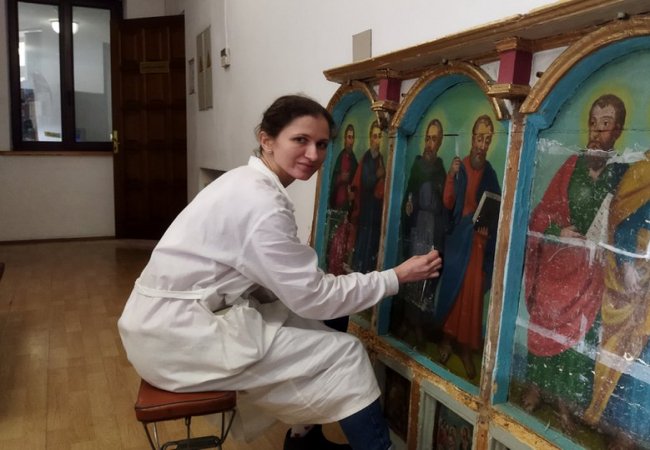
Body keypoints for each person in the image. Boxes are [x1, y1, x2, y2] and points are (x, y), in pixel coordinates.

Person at [117, 95, 442, 450]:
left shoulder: (246, 181)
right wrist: (396, 276)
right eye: (300, 140)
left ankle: (304, 439)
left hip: (171, 320)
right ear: (267, 140)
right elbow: (313, 297)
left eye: (322, 144)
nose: (313, 154)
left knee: (326, 322)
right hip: (178, 337)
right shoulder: (261, 203)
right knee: (345, 354)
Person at [522, 94, 629, 431]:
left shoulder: (622, 173)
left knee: (579, 341)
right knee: (544, 325)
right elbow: (540, 214)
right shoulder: (571, 166)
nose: (596, 132)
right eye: (593, 124)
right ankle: (536, 387)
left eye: (605, 124)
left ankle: (565, 403)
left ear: (618, 130)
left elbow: (626, 223)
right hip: (558, 265)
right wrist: (559, 231)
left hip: (592, 274)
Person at [583, 150, 650, 446]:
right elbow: (621, 220)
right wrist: (627, 264)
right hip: (634, 275)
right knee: (625, 348)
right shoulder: (642, 171)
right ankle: (617, 426)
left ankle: (633, 431)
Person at [434, 115, 501, 380]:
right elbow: (448, 203)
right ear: (472, 138)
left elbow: (495, 208)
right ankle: (447, 339)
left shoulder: (491, 174)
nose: (482, 145)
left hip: (478, 244)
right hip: (457, 240)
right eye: (479, 138)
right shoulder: (460, 168)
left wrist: (487, 228)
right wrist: (451, 176)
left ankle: (465, 347)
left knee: (472, 295)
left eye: (487, 140)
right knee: (454, 289)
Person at [395, 119, 447, 340]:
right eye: (427, 138)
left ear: (440, 143)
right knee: (412, 273)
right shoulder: (417, 166)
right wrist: (408, 205)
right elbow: (409, 192)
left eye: (434, 139)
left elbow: (445, 202)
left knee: (427, 277)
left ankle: (419, 322)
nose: (429, 144)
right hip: (417, 226)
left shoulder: (441, 170)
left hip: (432, 228)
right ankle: (408, 319)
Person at [350, 120, 386, 274]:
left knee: (373, 238)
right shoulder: (367, 158)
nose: (377, 140)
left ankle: (369, 268)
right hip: (366, 205)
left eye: (379, 136)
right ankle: (360, 267)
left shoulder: (380, 158)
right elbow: (365, 182)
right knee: (364, 237)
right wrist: (377, 175)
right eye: (375, 136)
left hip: (376, 206)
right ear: (370, 138)